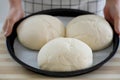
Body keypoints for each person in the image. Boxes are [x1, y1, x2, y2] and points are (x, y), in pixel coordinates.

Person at [3, 0, 120, 37]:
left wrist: (113, 3)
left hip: (92, 14)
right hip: (34, 14)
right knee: (33, 35)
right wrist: (15, 6)